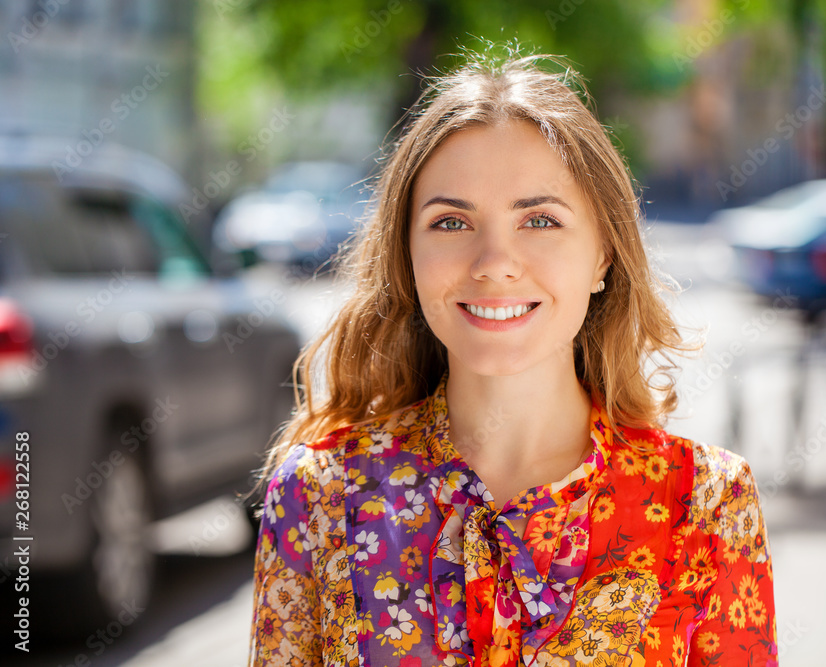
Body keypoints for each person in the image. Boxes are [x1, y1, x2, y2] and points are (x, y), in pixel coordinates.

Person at [249, 50, 777, 667]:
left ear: (603, 254)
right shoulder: (319, 497)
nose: (494, 261)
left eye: (540, 220)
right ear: (407, 256)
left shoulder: (706, 503)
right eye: (450, 223)